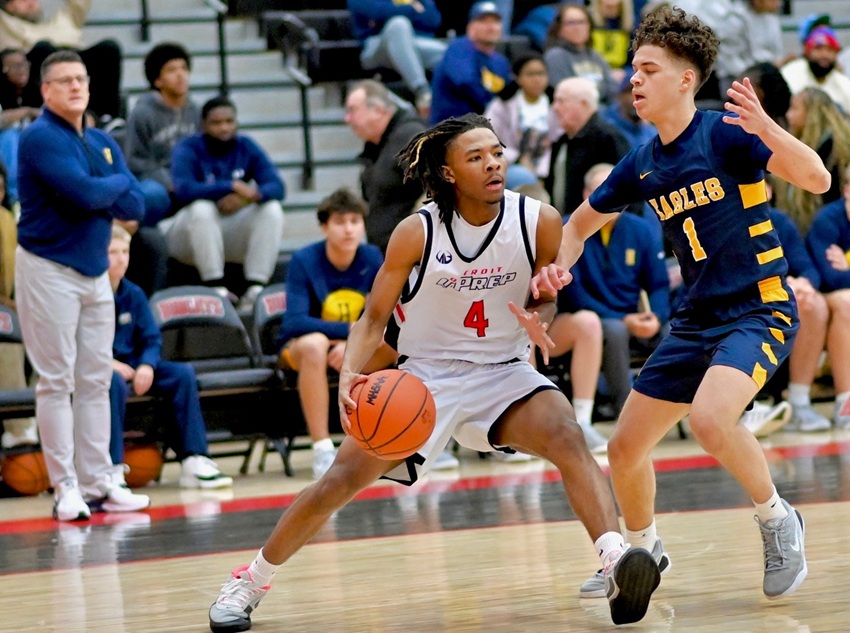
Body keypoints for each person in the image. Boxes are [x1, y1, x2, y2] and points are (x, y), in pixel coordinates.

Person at [207, 114, 661, 632]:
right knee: (340, 480)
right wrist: (352, 374)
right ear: (448, 174)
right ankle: (250, 580)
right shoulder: (416, 232)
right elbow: (373, 317)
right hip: (424, 379)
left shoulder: (538, 220)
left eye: (495, 152)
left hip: (504, 371)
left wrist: (541, 318)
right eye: (475, 157)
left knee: (566, 432)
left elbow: (547, 297)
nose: (493, 163)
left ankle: (613, 560)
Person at [532, 6, 830, 602]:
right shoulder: (641, 162)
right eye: (633, 70)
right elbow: (580, 223)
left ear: (686, 79)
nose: (634, 81)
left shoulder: (725, 131)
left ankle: (777, 519)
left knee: (712, 420)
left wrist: (768, 128)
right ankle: (643, 550)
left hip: (758, 307)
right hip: (695, 319)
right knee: (623, 448)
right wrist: (558, 261)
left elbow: (818, 179)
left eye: (649, 69)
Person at [15, 50, 151, 521]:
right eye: (65, 81)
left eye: (81, 79)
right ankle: (65, 486)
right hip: (48, 267)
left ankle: (100, 480)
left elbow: (138, 205)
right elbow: (87, 193)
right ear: (45, 91)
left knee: (95, 378)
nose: (76, 87)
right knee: (56, 380)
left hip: (95, 271)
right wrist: (111, 185)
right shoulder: (39, 138)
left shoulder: (100, 141)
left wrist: (107, 186)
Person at [276, 188, 396, 479]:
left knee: (396, 340)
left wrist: (352, 345)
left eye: (355, 221)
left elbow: (383, 314)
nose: (349, 229)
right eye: (340, 222)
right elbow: (293, 322)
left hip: (350, 351)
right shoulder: (304, 260)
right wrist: (347, 331)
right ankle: (322, 449)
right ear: (324, 227)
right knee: (315, 344)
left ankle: (401, 436)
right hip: (300, 351)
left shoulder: (372, 256)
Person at [106, 225, 233, 489]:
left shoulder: (135, 294)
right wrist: (110, 364)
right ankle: (112, 467)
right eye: (112, 252)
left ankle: (194, 459)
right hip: (103, 369)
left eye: (125, 251)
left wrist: (147, 365)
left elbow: (151, 338)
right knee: (112, 383)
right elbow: (80, 344)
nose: (120, 258)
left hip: (136, 366)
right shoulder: (89, 295)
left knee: (182, 374)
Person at [558, 163, 670, 423]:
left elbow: (659, 284)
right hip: (596, 319)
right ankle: (628, 414)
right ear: (586, 195)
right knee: (614, 330)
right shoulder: (569, 230)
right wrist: (623, 320)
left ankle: (669, 408)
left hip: (634, 318)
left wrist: (655, 315)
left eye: (618, 190)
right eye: (602, 190)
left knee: (672, 331)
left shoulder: (640, 230)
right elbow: (575, 294)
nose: (612, 197)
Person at [164, 96, 286, 310]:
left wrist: (246, 197)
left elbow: (277, 187)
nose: (224, 128)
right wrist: (229, 186)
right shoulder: (188, 147)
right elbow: (183, 190)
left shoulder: (245, 146)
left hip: (227, 232)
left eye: (229, 122)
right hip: (186, 236)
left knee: (272, 209)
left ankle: (256, 286)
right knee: (202, 208)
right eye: (217, 123)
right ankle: (215, 286)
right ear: (203, 125)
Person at [0, 0, 122, 120]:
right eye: (23, 0)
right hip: (41, 67)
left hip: (75, 59)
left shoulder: (63, 21)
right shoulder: (6, 26)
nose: (31, 2)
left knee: (109, 48)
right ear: (9, 7)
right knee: (43, 48)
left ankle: (106, 118)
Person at [344, 79, 426, 253]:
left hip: (413, 257)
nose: (347, 119)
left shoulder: (410, 136)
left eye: (353, 110)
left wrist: (417, 233)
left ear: (378, 110)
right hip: (387, 254)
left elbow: (443, 186)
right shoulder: (376, 146)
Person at [125, 42, 200, 228]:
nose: (180, 74)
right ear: (158, 81)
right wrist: (168, 181)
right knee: (151, 196)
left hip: (191, 181)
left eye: (184, 68)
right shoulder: (142, 113)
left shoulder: (197, 112)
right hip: (157, 184)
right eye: (171, 70)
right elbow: (135, 161)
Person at [806, 163, 850, 428]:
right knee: (846, 303)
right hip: (822, 294)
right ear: (846, 190)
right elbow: (830, 279)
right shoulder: (828, 220)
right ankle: (845, 402)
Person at [545, 77, 629, 216]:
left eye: (561, 101)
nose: (555, 107)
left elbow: (628, 190)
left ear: (583, 104)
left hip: (598, 231)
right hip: (564, 227)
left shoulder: (609, 139)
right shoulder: (561, 141)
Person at [348, 0, 446, 118]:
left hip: (417, 42)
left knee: (453, 51)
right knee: (398, 25)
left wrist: (396, 10)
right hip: (376, 45)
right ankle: (423, 92)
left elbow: (433, 19)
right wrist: (413, 9)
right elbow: (377, 12)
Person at [773, 87, 850, 233]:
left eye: (795, 109)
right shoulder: (802, 141)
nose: (788, 115)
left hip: (828, 229)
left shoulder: (834, 148)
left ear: (813, 113)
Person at [0, 159, 37, 449]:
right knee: (6, 330)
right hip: (4, 310)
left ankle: (40, 418)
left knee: (51, 325)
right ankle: (18, 428)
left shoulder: (8, 219)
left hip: (12, 302)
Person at [483, 53, 559, 190]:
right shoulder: (502, 105)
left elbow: (558, 140)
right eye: (530, 74)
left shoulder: (556, 105)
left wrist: (541, 172)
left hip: (548, 167)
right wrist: (518, 159)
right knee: (520, 176)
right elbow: (488, 138)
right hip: (511, 164)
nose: (537, 79)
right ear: (518, 78)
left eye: (541, 74)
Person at [429, 1, 510, 124]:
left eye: (495, 21)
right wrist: (493, 107)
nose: (491, 27)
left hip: (483, 129)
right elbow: (465, 82)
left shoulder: (501, 62)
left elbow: (507, 95)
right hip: (449, 129)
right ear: (470, 27)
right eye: (483, 21)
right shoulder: (458, 48)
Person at [543, 3, 619, 104]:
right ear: (559, 29)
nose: (577, 28)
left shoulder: (595, 55)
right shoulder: (555, 56)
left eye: (582, 22)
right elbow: (567, 95)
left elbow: (613, 90)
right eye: (571, 23)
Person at [780, 21, 850, 115]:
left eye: (830, 50)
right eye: (819, 49)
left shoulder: (843, 83)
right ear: (807, 51)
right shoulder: (790, 72)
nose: (824, 55)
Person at [0, 48, 40, 202]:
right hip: (6, 147)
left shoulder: (36, 88)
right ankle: (14, 197)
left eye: (24, 64)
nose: (22, 70)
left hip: (31, 146)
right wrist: (27, 111)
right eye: (15, 66)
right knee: (10, 137)